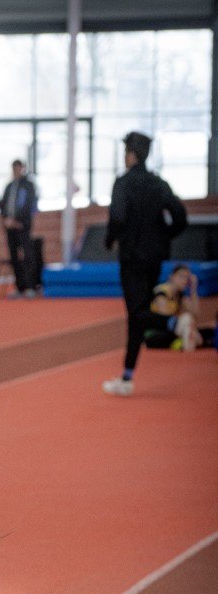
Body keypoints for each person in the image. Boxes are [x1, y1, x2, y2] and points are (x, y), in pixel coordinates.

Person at [102, 131, 187, 397]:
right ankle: (127, 377)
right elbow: (180, 216)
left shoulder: (124, 183)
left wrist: (109, 240)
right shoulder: (159, 183)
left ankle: (175, 325)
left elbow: (117, 216)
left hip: (132, 256)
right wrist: (164, 236)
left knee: (137, 313)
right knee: (137, 317)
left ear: (132, 154)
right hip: (155, 256)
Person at [143, 264, 212, 351]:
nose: (184, 281)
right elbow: (164, 318)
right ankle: (187, 343)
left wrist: (193, 289)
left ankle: (182, 342)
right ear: (172, 277)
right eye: (181, 277)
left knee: (209, 331)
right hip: (155, 334)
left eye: (187, 278)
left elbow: (195, 313)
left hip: (172, 331)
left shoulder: (180, 295)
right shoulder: (161, 292)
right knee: (186, 319)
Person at [0, 159, 38, 298]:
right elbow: (3, 205)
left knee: (27, 256)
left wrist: (17, 221)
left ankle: (30, 286)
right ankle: (19, 287)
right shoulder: (9, 186)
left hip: (23, 227)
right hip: (10, 228)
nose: (16, 171)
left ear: (22, 168)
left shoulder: (29, 186)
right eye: (14, 169)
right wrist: (6, 219)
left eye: (18, 168)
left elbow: (29, 206)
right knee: (14, 257)